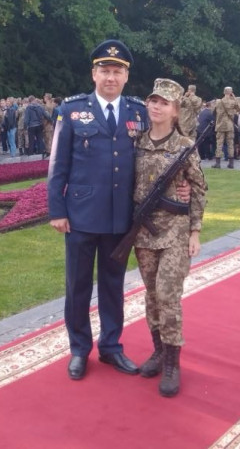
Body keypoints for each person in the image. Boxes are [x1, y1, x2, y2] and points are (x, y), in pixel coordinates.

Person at [47, 39, 149, 381]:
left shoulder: (138, 112)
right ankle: (79, 349)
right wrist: (57, 210)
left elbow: (151, 159)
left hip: (120, 217)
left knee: (112, 285)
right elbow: (58, 165)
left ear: (126, 76)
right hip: (80, 215)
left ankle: (111, 346)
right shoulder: (72, 110)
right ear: (94, 74)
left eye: (117, 71)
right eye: (105, 70)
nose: (111, 77)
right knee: (77, 286)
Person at [133, 78, 207, 398]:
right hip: (143, 233)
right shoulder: (136, 143)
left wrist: (195, 231)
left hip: (175, 231)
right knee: (151, 294)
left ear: (176, 110)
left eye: (164, 103)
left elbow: (199, 188)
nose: (157, 107)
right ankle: (159, 350)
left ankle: (173, 364)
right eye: (153, 101)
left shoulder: (185, 146)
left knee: (167, 294)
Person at [212, 87, 240, 168]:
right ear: (231, 92)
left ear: (224, 92)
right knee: (230, 144)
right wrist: (235, 98)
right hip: (229, 125)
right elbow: (239, 108)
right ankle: (231, 163)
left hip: (220, 125)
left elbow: (213, 112)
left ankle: (218, 163)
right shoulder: (233, 102)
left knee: (219, 144)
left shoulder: (218, 101)